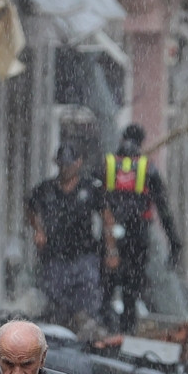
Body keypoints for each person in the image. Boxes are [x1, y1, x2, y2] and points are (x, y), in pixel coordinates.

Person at [26, 143, 117, 335]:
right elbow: (31, 208)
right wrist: (38, 231)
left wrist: (111, 250)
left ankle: (85, 336)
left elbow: (107, 218)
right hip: (55, 256)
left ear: (78, 163)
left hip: (84, 256)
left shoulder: (90, 188)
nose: (65, 169)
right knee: (56, 305)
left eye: (69, 165)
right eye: (62, 165)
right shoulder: (46, 190)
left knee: (87, 306)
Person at [101, 124, 183, 331]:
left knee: (106, 287)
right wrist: (175, 243)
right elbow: (164, 210)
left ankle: (105, 329)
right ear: (141, 142)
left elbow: (96, 203)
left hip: (110, 235)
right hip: (138, 235)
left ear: (122, 139)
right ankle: (126, 331)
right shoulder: (148, 168)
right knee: (131, 289)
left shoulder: (108, 164)